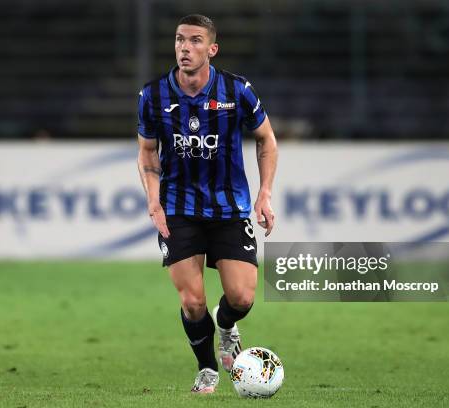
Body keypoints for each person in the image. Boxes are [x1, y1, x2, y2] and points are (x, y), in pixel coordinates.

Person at [136, 14, 278, 394]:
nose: (185, 47)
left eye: (196, 41)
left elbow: (267, 139)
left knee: (242, 297)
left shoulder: (237, 90)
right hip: (179, 210)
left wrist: (264, 193)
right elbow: (148, 153)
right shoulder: (153, 95)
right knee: (193, 301)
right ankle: (207, 369)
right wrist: (153, 199)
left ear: (211, 49)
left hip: (229, 208)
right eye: (180, 39)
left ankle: (227, 325)